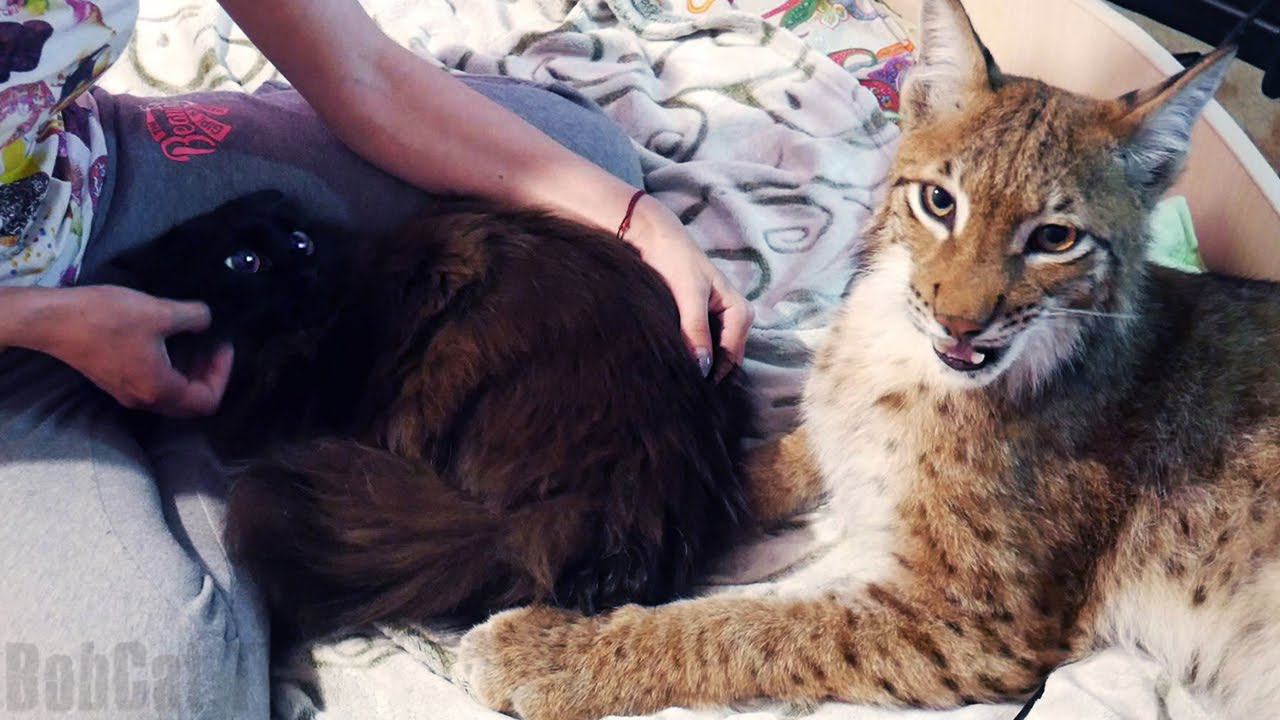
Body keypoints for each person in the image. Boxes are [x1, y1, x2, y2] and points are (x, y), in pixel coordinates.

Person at [0, 1, 753, 717]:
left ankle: (227, 408)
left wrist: (636, 218)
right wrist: (43, 322)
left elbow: (361, 68)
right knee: (159, 689)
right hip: (18, 336)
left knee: (588, 158)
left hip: (80, 174)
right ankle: (182, 450)